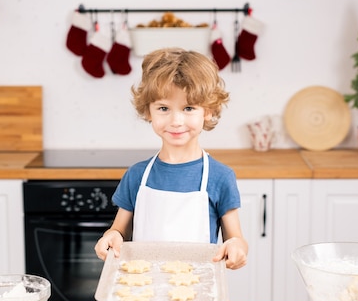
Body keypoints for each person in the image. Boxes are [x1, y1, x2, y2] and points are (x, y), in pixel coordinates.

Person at [94, 48, 248, 270]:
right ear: (148, 111)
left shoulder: (220, 177)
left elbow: (236, 239)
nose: (176, 121)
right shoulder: (137, 175)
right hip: (142, 289)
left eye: (188, 108)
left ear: (209, 111)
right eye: (164, 108)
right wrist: (111, 237)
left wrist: (236, 248)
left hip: (196, 291)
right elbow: (118, 230)